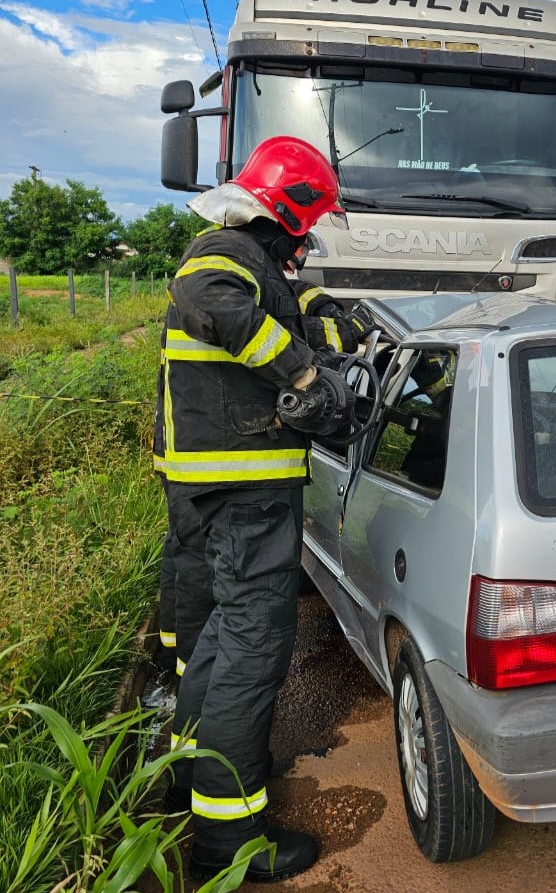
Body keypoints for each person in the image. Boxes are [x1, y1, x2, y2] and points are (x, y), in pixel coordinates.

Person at [154, 136, 374, 883]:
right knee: (253, 649)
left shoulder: (258, 266)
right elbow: (204, 297)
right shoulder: (222, 255)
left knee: (223, 633)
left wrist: (334, 333)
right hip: (241, 490)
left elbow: (289, 308)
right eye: (306, 227)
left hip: (224, 487)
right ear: (284, 210)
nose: (308, 242)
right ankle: (228, 840)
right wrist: (305, 372)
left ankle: (193, 771)